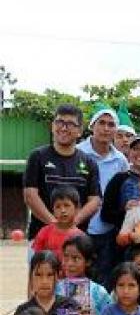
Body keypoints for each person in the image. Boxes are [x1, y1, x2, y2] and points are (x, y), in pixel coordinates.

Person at [23, 104, 100, 246]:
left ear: (79, 130)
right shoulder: (37, 157)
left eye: (70, 124)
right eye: (59, 122)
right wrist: (54, 225)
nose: (64, 128)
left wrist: (73, 223)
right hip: (42, 239)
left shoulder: (89, 162)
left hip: (77, 242)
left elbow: (95, 200)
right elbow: (30, 195)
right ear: (53, 126)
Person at [77, 102, 130, 285]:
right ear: (92, 126)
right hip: (80, 228)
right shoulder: (78, 153)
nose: (106, 128)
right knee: (79, 280)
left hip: (108, 231)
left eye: (111, 124)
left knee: (105, 282)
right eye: (102, 123)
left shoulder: (120, 160)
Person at [101, 133, 140, 239]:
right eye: (135, 149)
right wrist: (124, 211)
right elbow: (105, 215)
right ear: (129, 153)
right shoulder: (119, 179)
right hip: (126, 242)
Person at [31, 186, 84, 264]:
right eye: (58, 207)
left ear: (77, 209)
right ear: (53, 211)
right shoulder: (45, 232)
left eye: (66, 205)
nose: (62, 210)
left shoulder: (80, 237)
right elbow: (37, 258)